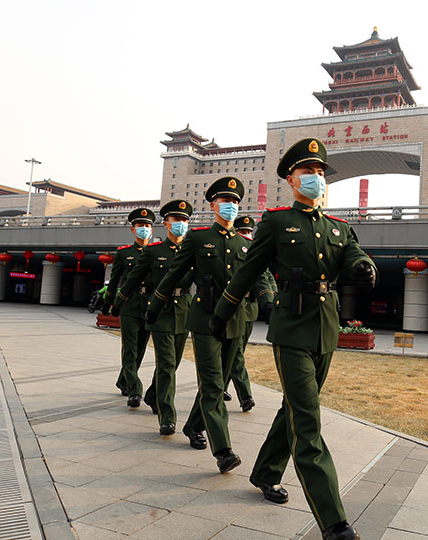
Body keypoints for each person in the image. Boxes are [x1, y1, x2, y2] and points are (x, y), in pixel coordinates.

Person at [209, 138, 376, 540]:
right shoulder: (276, 222)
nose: (317, 179)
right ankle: (334, 521)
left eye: (320, 173)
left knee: (298, 407)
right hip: (291, 328)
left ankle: (266, 471)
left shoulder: (338, 227)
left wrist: (365, 266)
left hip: (326, 329)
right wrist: (222, 313)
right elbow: (248, 272)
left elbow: (353, 254)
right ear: (290, 178)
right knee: (308, 419)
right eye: (308, 172)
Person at [146, 177, 272, 474]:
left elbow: (260, 275)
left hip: (236, 320)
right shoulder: (198, 239)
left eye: (235, 202)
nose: (230, 206)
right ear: (213, 205)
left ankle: (192, 426)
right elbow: (174, 274)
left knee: (223, 380)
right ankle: (223, 450)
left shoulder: (246, 244)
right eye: (225, 201)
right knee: (213, 384)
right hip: (204, 320)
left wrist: (269, 301)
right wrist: (154, 306)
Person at [113, 199, 194, 435]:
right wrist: (117, 303)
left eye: (185, 220)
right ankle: (167, 415)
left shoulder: (193, 249)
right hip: (159, 311)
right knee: (166, 364)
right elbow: (132, 279)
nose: (181, 224)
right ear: (166, 223)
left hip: (184, 311)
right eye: (177, 220)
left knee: (174, 363)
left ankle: (151, 395)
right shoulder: (153, 252)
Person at [223, 215, 276, 413]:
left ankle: (222, 386)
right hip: (234, 309)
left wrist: (270, 300)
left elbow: (267, 276)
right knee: (236, 354)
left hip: (250, 310)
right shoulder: (233, 250)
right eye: (243, 232)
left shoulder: (256, 252)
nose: (247, 235)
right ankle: (245, 395)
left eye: (249, 232)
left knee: (237, 352)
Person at [102, 207, 155, 407]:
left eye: (147, 225)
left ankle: (123, 379)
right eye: (140, 225)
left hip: (149, 304)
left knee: (141, 348)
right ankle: (135, 389)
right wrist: (109, 304)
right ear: (133, 230)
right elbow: (114, 281)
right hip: (130, 305)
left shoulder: (156, 252)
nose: (144, 229)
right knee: (130, 349)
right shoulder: (124, 253)